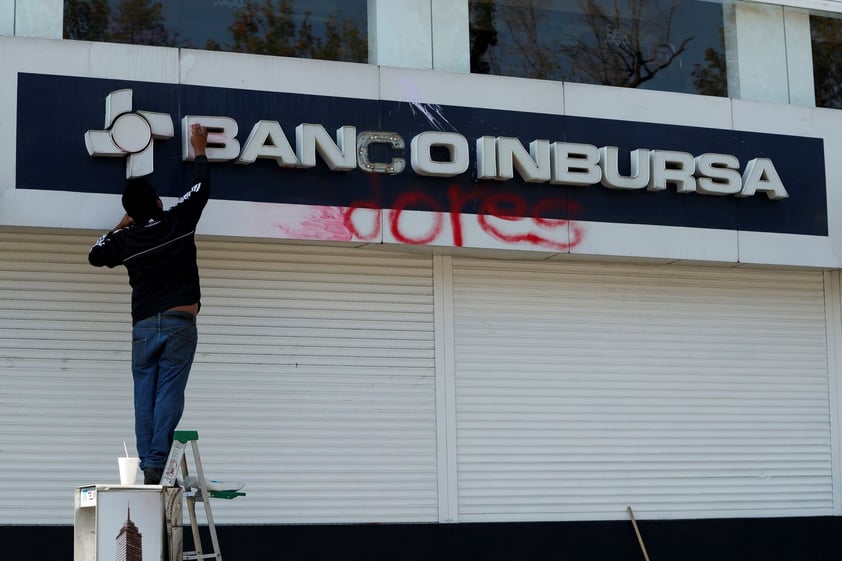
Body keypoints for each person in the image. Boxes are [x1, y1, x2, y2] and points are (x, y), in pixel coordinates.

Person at [89, 123, 210, 484]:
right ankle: (157, 460)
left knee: (145, 396)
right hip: (179, 322)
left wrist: (121, 225)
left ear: (131, 213)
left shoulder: (126, 239)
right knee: (170, 391)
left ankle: (149, 463)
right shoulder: (178, 222)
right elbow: (201, 189)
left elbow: (95, 255)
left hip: (143, 327)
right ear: (157, 202)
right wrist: (199, 149)